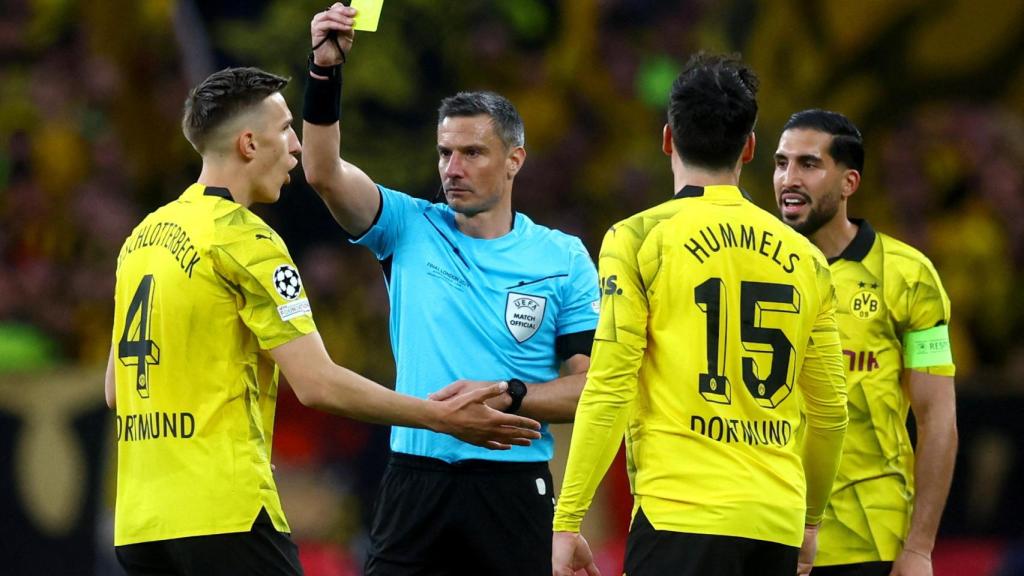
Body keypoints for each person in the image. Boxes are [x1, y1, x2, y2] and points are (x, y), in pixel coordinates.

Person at [104, 66, 542, 576]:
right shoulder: (247, 240)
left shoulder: (143, 237)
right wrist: (438, 417)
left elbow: (118, 389)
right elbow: (316, 384)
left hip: (140, 523)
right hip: (224, 514)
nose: (294, 145)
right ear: (249, 143)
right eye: (286, 129)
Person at [301, 6, 601, 575]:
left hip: (513, 485)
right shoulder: (408, 226)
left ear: (514, 160)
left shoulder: (562, 257)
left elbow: (588, 390)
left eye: (472, 153)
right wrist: (324, 71)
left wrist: (509, 396)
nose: (452, 168)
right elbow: (322, 171)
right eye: (445, 153)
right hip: (418, 477)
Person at [551, 52, 849, 576]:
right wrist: (809, 521)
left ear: (668, 138)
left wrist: (568, 518)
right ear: (751, 147)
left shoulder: (637, 238)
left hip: (680, 519)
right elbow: (829, 413)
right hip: (773, 523)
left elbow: (611, 386)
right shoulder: (807, 259)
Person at [773, 109, 958, 576]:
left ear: (849, 182)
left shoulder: (909, 276)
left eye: (808, 165)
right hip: (767, 532)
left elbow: (937, 417)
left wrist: (919, 548)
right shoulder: (754, 267)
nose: (789, 179)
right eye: (781, 163)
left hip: (868, 541)